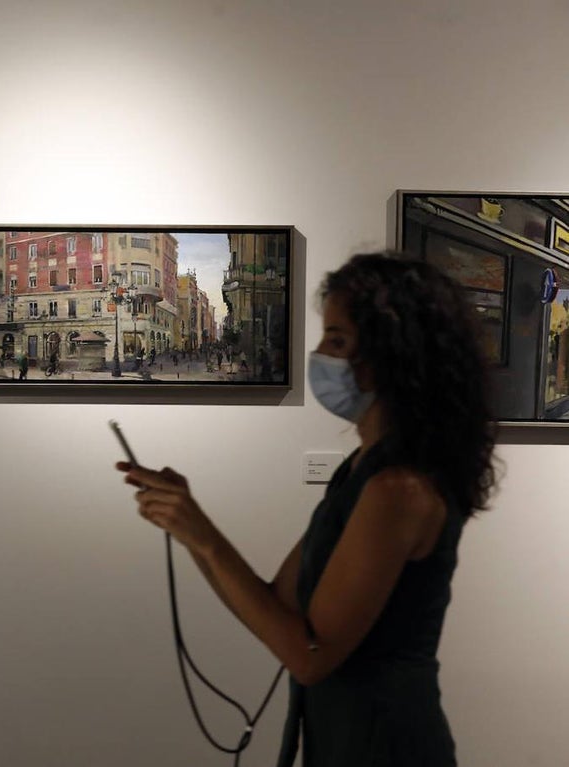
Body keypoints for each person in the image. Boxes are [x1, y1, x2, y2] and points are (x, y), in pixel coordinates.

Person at [117, 252, 496, 767]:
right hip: (342, 738)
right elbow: (278, 602)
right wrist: (188, 526)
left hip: (386, 746)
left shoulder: (398, 489)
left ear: (390, 354)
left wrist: (202, 534)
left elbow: (308, 656)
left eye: (336, 340)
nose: (318, 354)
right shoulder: (360, 469)